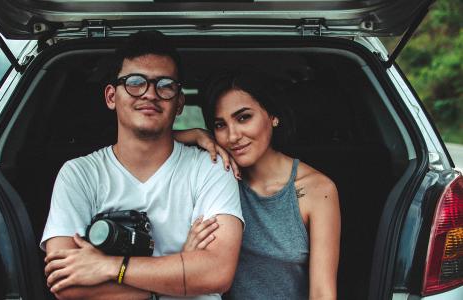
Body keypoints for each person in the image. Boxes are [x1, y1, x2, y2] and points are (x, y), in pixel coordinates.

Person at [40, 31, 244, 300]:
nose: (150, 94)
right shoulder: (78, 174)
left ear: (179, 103)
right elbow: (66, 284)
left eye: (165, 85)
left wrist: (110, 267)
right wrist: (182, 269)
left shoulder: (211, 167)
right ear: (111, 96)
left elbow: (217, 273)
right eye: (135, 82)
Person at [178, 69, 341, 299]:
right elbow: (140, 143)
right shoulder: (215, 176)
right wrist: (195, 134)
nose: (233, 136)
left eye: (243, 117)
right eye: (220, 125)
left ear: (273, 116)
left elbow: (322, 293)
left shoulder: (317, 190)